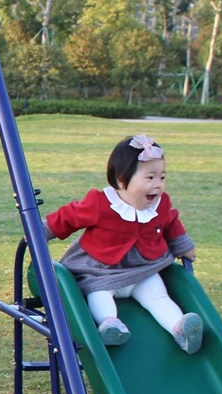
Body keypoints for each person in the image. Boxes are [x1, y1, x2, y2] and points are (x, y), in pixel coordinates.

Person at [43, 134, 203, 354]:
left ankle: (180, 329)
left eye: (162, 177)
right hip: (100, 271)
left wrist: (182, 245)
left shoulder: (161, 205)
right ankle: (110, 323)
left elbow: (171, 223)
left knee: (158, 296)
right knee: (98, 293)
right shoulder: (100, 203)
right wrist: (41, 231)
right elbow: (69, 216)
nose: (157, 185)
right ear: (121, 180)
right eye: (150, 178)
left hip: (142, 270)